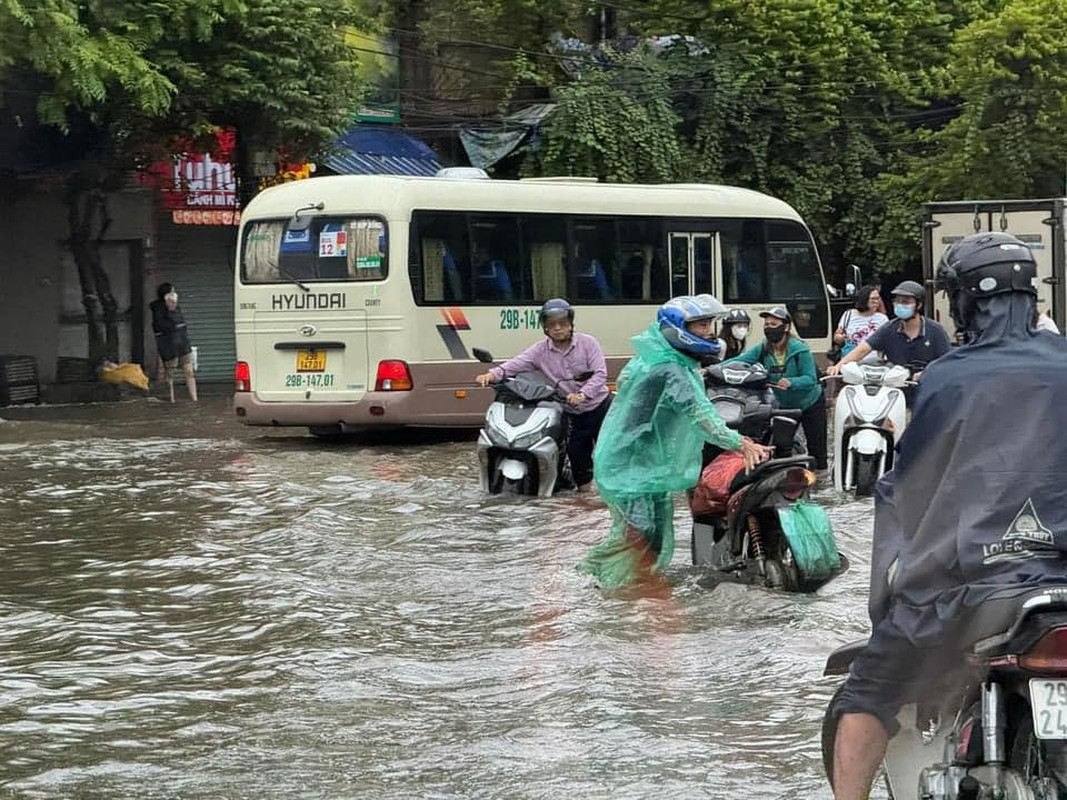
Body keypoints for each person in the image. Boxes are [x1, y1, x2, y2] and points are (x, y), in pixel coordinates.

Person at [828, 232, 1067, 800]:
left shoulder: (948, 376)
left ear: (962, 303)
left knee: (865, 692)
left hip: (978, 590)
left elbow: (912, 487)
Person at [576, 294, 771, 589]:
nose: (708, 332)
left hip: (643, 463)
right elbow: (699, 413)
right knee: (640, 532)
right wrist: (740, 443)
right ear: (677, 328)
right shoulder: (669, 367)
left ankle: (630, 588)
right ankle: (599, 580)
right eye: (700, 326)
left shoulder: (659, 356)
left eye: (709, 324)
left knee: (652, 534)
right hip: (629, 464)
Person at [475, 298, 611, 493]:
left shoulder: (589, 343)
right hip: (572, 412)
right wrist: (492, 374)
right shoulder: (540, 350)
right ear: (545, 328)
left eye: (562, 323)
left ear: (570, 324)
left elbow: (600, 374)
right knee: (576, 455)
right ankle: (585, 497)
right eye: (551, 325)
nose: (557, 328)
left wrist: (582, 394)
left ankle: (616, 497)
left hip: (600, 407)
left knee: (611, 454)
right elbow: (516, 364)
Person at [724, 306, 828, 477]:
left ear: (786, 327)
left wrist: (791, 382)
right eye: (766, 324)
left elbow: (810, 379)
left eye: (774, 324)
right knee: (781, 447)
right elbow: (742, 360)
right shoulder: (764, 348)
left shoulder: (799, 349)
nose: (769, 328)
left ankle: (821, 485)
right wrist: (712, 369)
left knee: (818, 449)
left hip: (810, 402)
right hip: (785, 405)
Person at [826, 281, 951, 402]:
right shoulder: (889, 328)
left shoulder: (935, 330)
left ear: (918, 305)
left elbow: (947, 362)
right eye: (897, 301)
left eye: (906, 302)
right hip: (895, 394)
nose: (900, 305)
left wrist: (926, 373)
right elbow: (863, 349)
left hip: (928, 394)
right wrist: (838, 366)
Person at [149, 282, 198, 403]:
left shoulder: (176, 307)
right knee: (170, 374)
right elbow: (162, 326)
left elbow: (181, 324)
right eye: (171, 292)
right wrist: (170, 311)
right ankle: (171, 400)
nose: (174, 295)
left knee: (189, 371)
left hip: (182, 343)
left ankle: (194, 399)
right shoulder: (158, 309)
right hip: (169, 346)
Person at [832, 285, 888, 362]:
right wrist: (840, 338)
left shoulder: (882, 319)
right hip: (850, 362)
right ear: (864, 299)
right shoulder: (848, 315)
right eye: (873, 299)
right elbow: (837, 335)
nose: (876, 301)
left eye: (878, 298)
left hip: (874, 362)